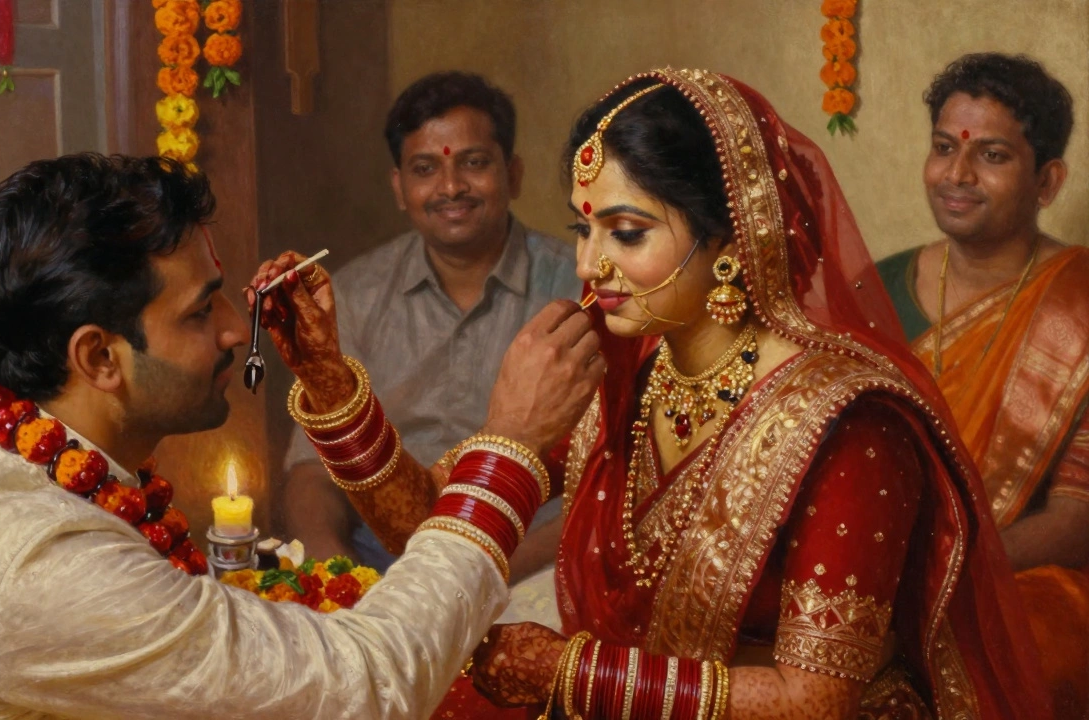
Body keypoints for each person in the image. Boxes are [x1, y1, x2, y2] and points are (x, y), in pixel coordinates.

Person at [268, 68, 1052, 719]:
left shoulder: (845, 423)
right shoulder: (625, 371)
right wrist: (331, 383)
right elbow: (430, 529)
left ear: (727, 237)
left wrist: (573, 675)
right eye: (583, 231)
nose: (591, 266)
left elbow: (814, 700)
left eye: (628, 232)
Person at [0, 153, 600, 718]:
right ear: (98, 357)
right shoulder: (42, 564)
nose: (234, 332)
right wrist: (511, 445)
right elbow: (366, 686)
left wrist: (326, 377)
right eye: (201, 311)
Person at [281, 71, 580, 579]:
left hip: (530, 569)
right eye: (425, 168)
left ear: (514, 174)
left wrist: (474, 581)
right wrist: (340, 575)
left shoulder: (579, 292)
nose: (451, 187)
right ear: (399, 187)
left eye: (475, 163)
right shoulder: (353, 295)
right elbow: (312, 470)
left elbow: (607, 488)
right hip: (382, 571)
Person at [876, 53, 1089, 717]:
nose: (956, 176)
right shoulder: (868, 290)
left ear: (1047, 180)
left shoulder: (1080, 304)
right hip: (864, 576)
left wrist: (933, 577)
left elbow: (1076, 522)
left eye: (991, 155)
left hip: (1020, 588)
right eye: (944, 148)